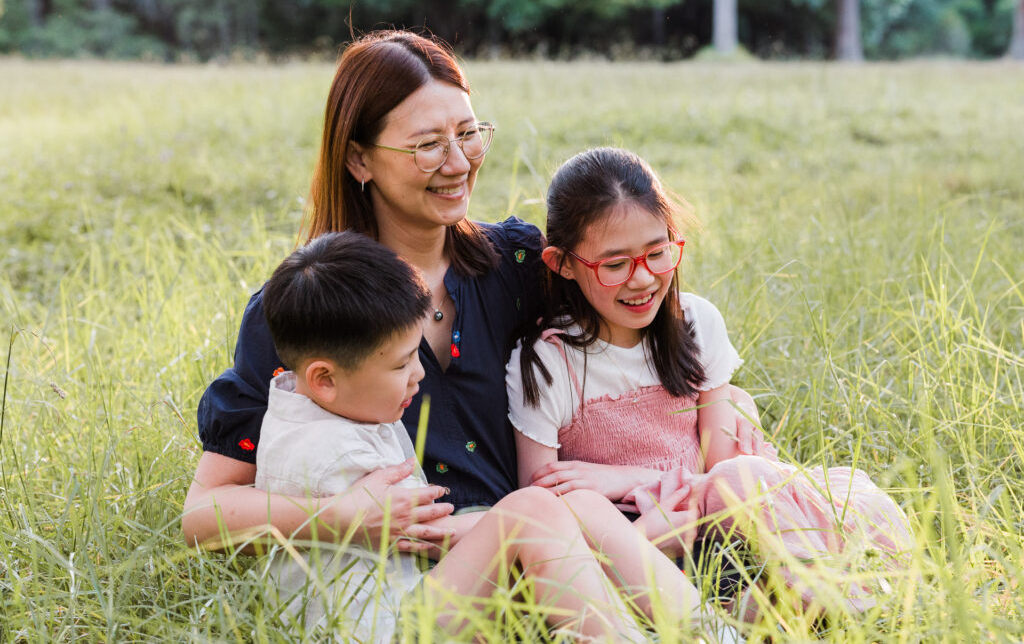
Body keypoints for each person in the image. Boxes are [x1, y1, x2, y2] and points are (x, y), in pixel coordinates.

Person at [182, 30, 762, 556]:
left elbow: (635, 334)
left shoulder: (517, 263)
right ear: (359, 158)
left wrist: (724, 401)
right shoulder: (313, 305)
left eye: (468, 134)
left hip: (561, 546)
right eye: (428, 145)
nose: (459, 163)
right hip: (411, 574)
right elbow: (206, 513)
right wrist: (342, 519)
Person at [254, 230, 729, 642]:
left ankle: (708, 629)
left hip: (405, 600)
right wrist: (525, 519)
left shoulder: (314, 403)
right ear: (325, 378)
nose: (419, 375)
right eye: (400, 365)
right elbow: (427, 536)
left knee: (565, 507)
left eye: (414, 354)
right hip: (379, 629)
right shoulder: (329, 454)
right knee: (532, 512)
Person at [507, 147, 913, 613]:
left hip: (721, 526)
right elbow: (546, 510)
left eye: (658, 253)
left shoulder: (697, 323)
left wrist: (623, 476)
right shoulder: (546, 362)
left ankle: (819, 596)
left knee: (774, 484)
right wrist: (644, 521)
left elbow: (722, 474)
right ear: (563, 264)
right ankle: (804, 603)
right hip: (637, 546)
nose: (643, 280)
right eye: (615, 265)